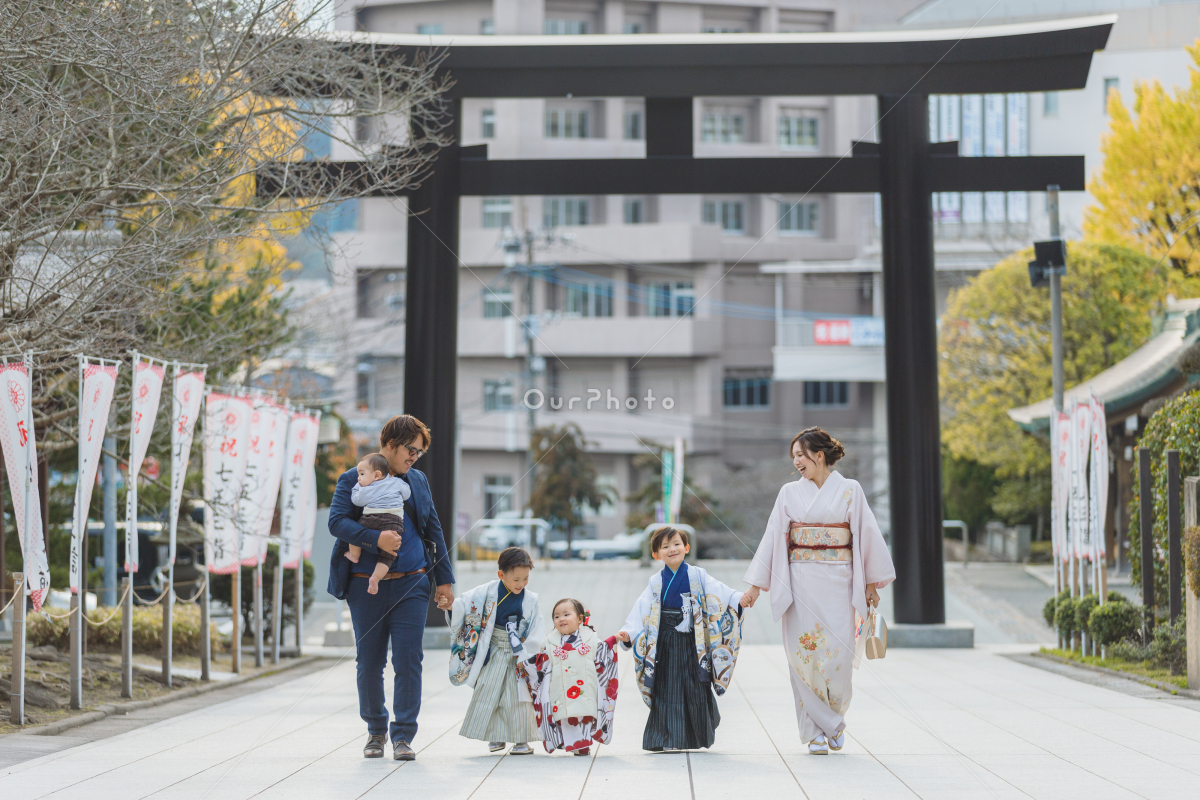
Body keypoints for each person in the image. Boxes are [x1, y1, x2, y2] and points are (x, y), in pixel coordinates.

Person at [741, 427, 895, 755]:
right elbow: (772, 538)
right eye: (793, 456)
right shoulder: (788, 493)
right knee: (803, 658)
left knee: (837, 657)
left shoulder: (850, 490)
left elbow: (866, 536)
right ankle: (815, 732)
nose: (796, 461)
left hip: (839, 584)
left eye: (801, 454)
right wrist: (755, 587)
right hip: (800, 585)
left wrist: (870, 585)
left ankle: (834, 719)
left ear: (819, 455)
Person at [327, 414, 455, 762]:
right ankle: (375, 731)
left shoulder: (418, 481)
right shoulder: (355, 477)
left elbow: (434, 530)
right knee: (369, 662)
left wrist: (445, 579)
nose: (414, 457)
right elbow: (336, 522)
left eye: (419, 452)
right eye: (410, 450)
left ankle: (403, 736)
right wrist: (375, 538)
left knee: (409, 660)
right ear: (390, 445)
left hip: (412, 583)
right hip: (363, 585)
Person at [617, 526, 751, 752]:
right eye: (665, 546)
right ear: (656, 554)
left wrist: (739, 599)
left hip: (694, 641)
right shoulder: (655, 581)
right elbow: (642, 609)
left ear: (686, 547)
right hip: (665, 641)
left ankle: (698, 731)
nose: (672, 549)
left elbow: (720, 592)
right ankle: (663, 738)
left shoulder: (698, 574)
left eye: (677, 544)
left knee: (696, 684)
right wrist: (629, 633)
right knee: (665, 686)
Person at [449, 547, 545, 755]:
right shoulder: (486, 592)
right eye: (516, 579)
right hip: (491, 650)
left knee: (517, 697)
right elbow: (463, 606)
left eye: (525, 579)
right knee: (488, 691)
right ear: (501, 574)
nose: (521, 584)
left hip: (517, 653)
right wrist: (450, 606)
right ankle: (495, 735)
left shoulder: (530, 599)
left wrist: (526, 655)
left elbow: (536, 629)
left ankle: (521, 740)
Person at [520, 598, 619, 756]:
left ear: (580, 618)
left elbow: (603, 651)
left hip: (585, 688)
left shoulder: (591, 639)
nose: (561, 619)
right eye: (557, 616)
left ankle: (583, 744)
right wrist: (526, 664)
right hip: (561, 689)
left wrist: (614, 639)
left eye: (566, 614)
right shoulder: (550, 641)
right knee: (566, 717)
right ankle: (573, 743)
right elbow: (541, 662)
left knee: (584, 716)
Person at [343, 452, 411, 595]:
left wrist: (357, 488)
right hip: (395, 523)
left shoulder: (366, 488)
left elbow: (357, 500)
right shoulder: (397, 482)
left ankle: (354, 555)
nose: (358, 478)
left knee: (355, 532)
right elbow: (406, 494)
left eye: (361, 474)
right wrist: (396, 483)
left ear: (377, 475)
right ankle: (376, 577)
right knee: (389, 555)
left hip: (371, 519)